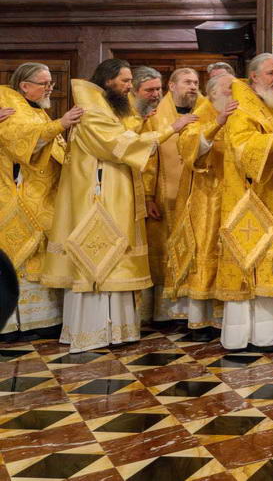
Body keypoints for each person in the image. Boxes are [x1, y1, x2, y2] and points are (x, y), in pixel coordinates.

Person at [42, 59, 191, 351]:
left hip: (112, 195)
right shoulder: (92, 110)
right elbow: (119, 145)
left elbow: (123, 130)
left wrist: (144, 120)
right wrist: (169, 129)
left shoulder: (104, 106)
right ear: (108, 81)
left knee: (116, 260)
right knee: (101, 261)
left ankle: (117, 330)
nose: (128, 86)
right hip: (99, 199)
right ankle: (95, 331)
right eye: (125, 81)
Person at [214, 53, 273, 352]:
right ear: (254, 77)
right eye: (272, 73)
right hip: (247, 200)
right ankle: (241, 336)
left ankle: (267, 335)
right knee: (247, 265)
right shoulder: (241, 108)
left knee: (270, 265)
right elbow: (242, 148)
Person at [0, 63, 81, 340]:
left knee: (42, 257)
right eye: (44, 84)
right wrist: (62, 123)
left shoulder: (37, 110)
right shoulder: (9, 105)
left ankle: (42, 321)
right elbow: (21, 142)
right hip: (15, 196)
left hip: (43, 197)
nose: (50, 89)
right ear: (25, 86)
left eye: (51, 84)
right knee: (18, 261)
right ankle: (11, 325)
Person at [141, 67, 204, 328]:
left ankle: (192, 312)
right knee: (164, 251)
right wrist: (147, 196)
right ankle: (166, 313)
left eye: (196, 82)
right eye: (187, 82)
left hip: (197, 195)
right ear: (172, 86)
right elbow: (148, 159)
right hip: (164, 196)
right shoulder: (155, 117)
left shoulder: (206, 112)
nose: (193, 87)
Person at [176, 72, 237, 340]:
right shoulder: (202, 112)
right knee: (206, 249)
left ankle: (225, 318)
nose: (233, 93)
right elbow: (187, 146)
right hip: (208, 195)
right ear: (212, 93)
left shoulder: (239, 111)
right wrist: (217, 123)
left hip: (233, 193)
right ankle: (201, 319)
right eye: (228, 88)